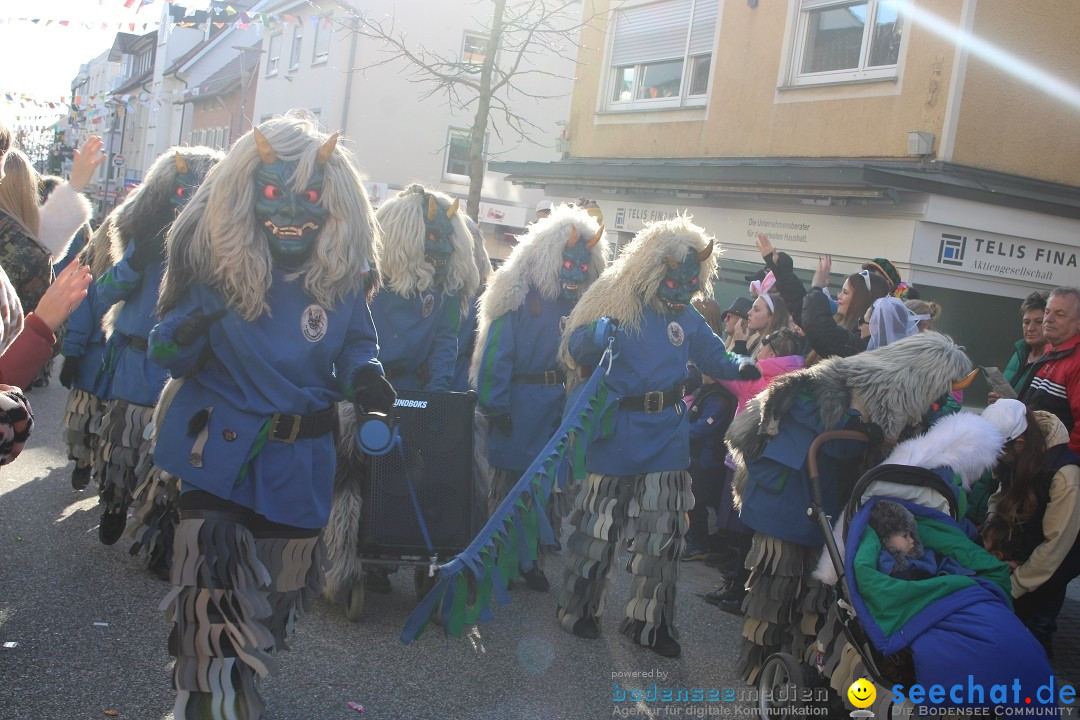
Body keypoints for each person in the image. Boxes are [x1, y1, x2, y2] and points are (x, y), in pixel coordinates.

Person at [147, 117, 393, 719]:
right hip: (216, 462)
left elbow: (359, 344)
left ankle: (228, 695)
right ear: (246, 195)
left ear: (333, 206)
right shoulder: (214, 271)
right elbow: (168, 349)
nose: (291, 212)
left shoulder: (341, 283)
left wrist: (369, 382)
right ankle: (208, 706)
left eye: (310, 198)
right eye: (274, 194)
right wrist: (189, 325)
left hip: (298, 468)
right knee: (211, 609)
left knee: (270, 612)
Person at [556, 215, 759, 658]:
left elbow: (714, 355)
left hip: (667, 434)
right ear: (653, 270)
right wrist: (598, 332)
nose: (683, 288)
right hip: (617, 432)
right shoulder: (616, 298)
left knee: (665, 532)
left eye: (691, 280)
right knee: (600, 528)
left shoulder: (685, 318)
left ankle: (651, 623)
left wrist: (739, 366)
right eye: (675, 279)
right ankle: (580, 608)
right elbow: (574, 348)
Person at [725, 332, 974, 682]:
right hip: (788, 500)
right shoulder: (830, 386)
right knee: (776, 589)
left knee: (812, 598)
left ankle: (798, 672)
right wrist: (859, 425)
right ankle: (761, 671)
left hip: (822, 509)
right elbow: (835, 443)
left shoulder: (887, 401)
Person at [472, 204, 607, 591]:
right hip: (520, 403)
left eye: (583, 266)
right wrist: (495, 404)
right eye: (569, 262)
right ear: (551, 256)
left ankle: (530, 560)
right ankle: (498, 557)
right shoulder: (517, 293)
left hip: (557, 406)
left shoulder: (582, 306)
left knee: (546, 489)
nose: (576, 271)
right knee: (509, 486)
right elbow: (496, 353)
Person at [94, 147, 223, 547]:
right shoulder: (144, 240)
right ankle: (114, 504)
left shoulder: (216, 251)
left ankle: (159, 536)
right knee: (123, 447)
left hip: (186, 372)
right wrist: (135, 261)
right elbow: (105, 293)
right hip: (136, 367)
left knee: (171, 463)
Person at [981, 399, 1080, 658]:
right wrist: (992, 524)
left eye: (1001, 452)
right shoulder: (1017, 456)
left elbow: (1055, 549)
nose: (998, 459)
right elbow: (999, 495)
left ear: (1020, 443)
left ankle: (1040, 689)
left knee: (1037, 631)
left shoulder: (1065, 474)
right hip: (1022, 559)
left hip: (1054, 567)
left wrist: (1012, 587)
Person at [59, 222, 114, 491]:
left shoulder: (93, 274)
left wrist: (72, 354)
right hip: (122, 363)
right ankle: (109, 477)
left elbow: (81, 319)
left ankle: (82, 464)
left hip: (91, 360)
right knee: (115, 424)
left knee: (83, 417)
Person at [1020, 287, 1080, 454]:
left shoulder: (1076, 361)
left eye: (1059, 314)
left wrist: (1062, 463)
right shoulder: (1051, 352)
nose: (1048, 319)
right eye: (1047, 312)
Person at [995, 291, 1049, 400]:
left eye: (1039, 322)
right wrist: (996, 400)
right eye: (1026, 322)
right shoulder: (1020, 352)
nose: (1030, 328)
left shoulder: (1053, 361)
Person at [860, 296, 927, 350]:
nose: (860, 327)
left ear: (875, 328)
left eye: (861, 321)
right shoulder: (909, 354)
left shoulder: (859, 353)